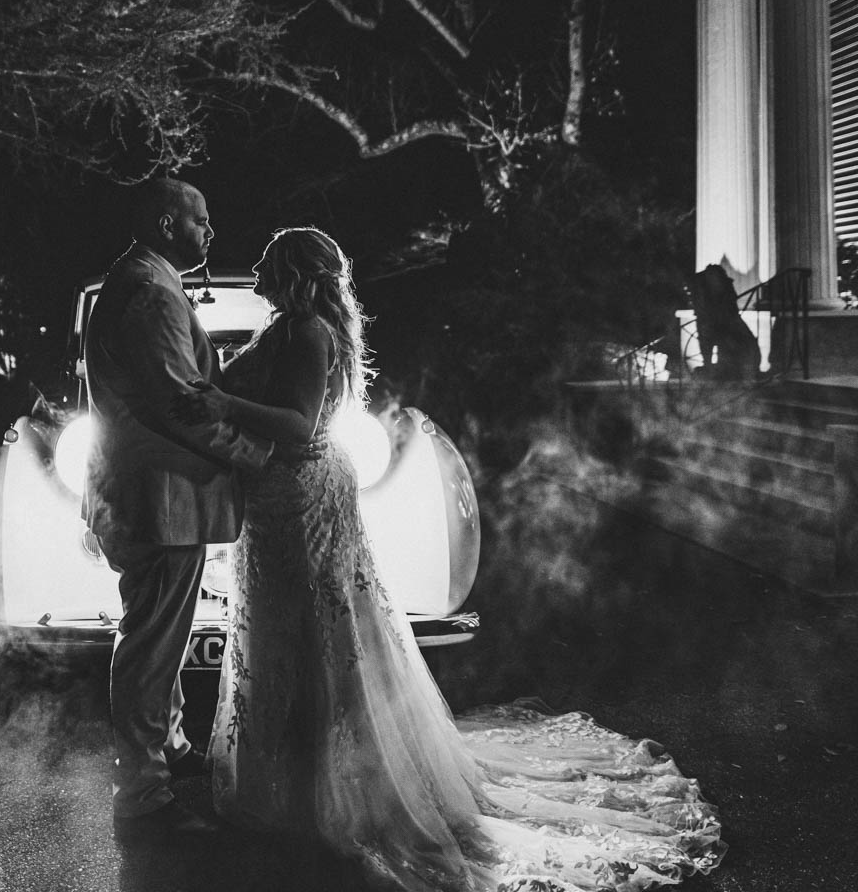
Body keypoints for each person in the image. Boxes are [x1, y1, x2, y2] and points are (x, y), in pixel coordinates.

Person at [172, 227, 726, 891]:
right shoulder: (286, 327)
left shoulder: (308, 332)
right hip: (279, 501)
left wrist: (221, 403)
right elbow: (233, 389)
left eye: (270, 256)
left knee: (319, 630)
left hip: (301, 498)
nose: (257, 261)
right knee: (287, 627)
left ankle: (326, 787)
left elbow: (295, 423)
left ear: (293, 269)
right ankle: (293, 777)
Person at [81, 178, 274, 843]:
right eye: (201, 221)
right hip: (158, 493)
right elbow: (180, 403)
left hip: (151, 490)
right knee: (152, 645)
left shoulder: (137, 280)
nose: (209, 233)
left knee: (156, 634)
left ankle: (170, 750)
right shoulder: (151, 293)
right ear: (167, 224)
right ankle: (143, 793)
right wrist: (255, 456)